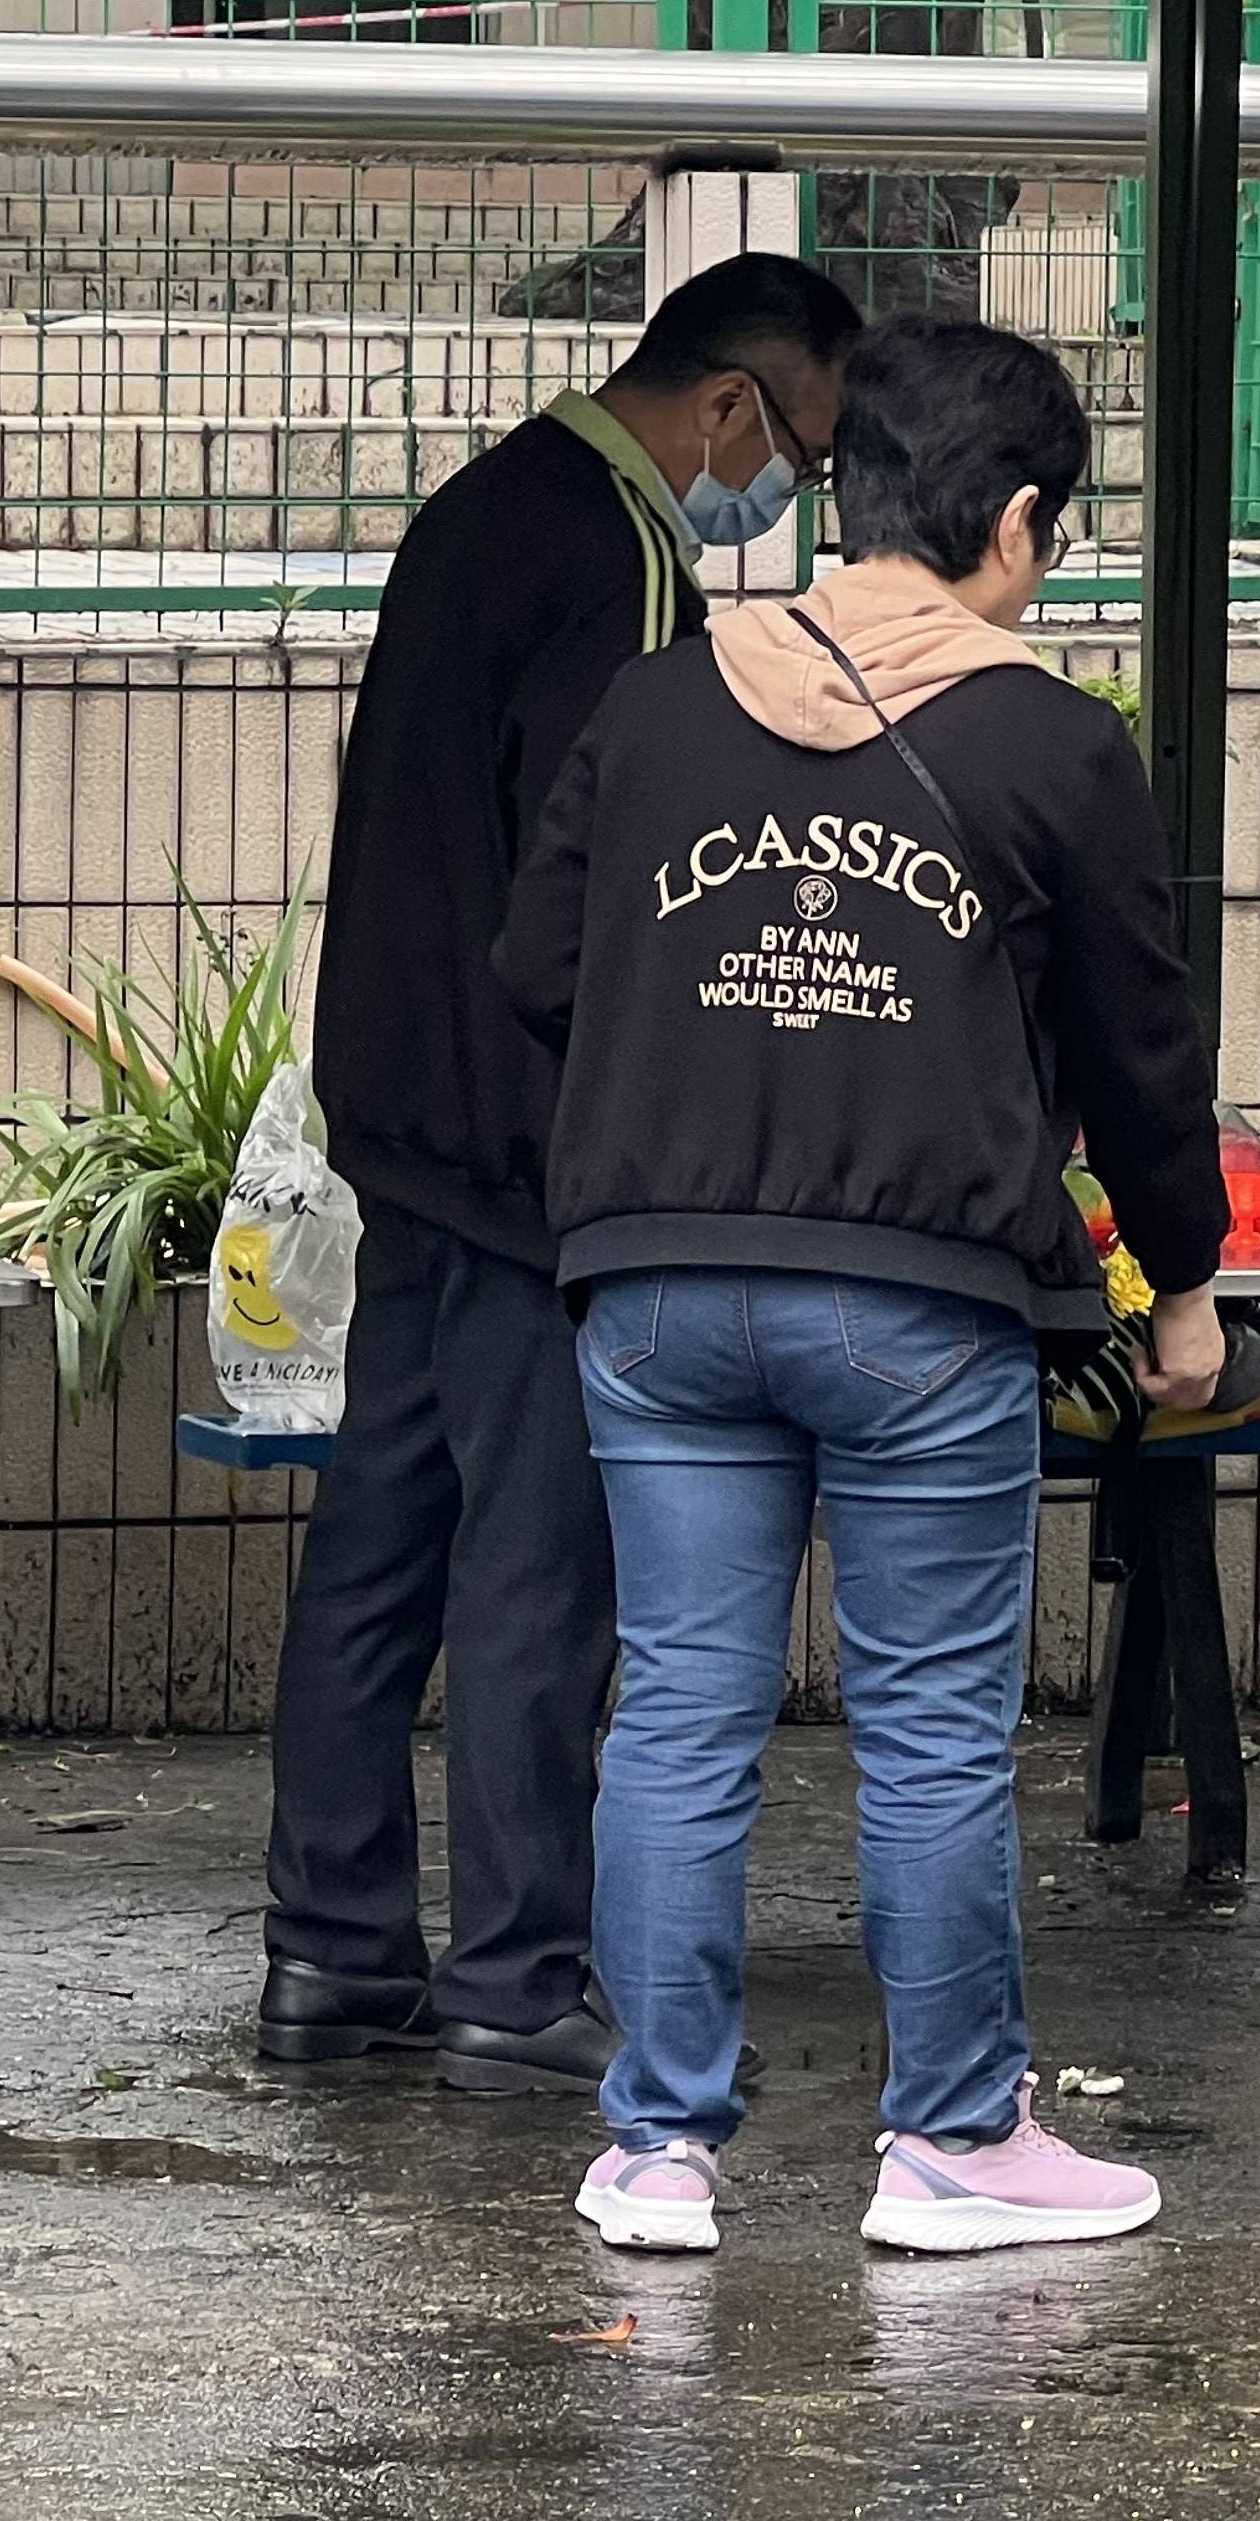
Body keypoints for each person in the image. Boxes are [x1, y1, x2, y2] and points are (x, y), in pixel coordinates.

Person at [496, 314, 1227, 2257]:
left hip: (653, 1294)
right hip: (915, 1300)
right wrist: (1184, 1288)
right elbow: (1145, 1061)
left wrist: (699, 1072)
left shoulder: (656, 706)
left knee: (677, 1717)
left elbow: (538, 971)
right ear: (1011, 520)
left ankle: (657, 2150)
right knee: (920, 1729)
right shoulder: (1056, 744)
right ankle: (955, 2146)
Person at [261, 253, 864, 2091]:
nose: (793, 502)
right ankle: (521, 1971)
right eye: (806, 458)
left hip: (401, 1114)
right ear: (736, 409)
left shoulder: (488, 500)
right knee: (537, 1569)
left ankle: (332, 1950)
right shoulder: (614, 552)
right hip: (515, 1135)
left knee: (382, 1540)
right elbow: (594, 877)